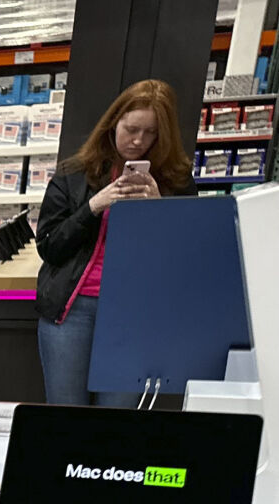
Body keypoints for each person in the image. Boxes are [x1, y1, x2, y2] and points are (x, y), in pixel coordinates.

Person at [35, 78, 196, 406]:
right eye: (131, 128)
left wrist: (158, 211)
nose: (138, 140)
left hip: (132, 315)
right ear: (112, 124)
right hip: (72, 310)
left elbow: (186, 259)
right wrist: (94, 206)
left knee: (116, 424)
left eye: (150, 132)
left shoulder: (176, 183)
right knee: (65, 418)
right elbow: (49, 246)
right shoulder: (75, 173)